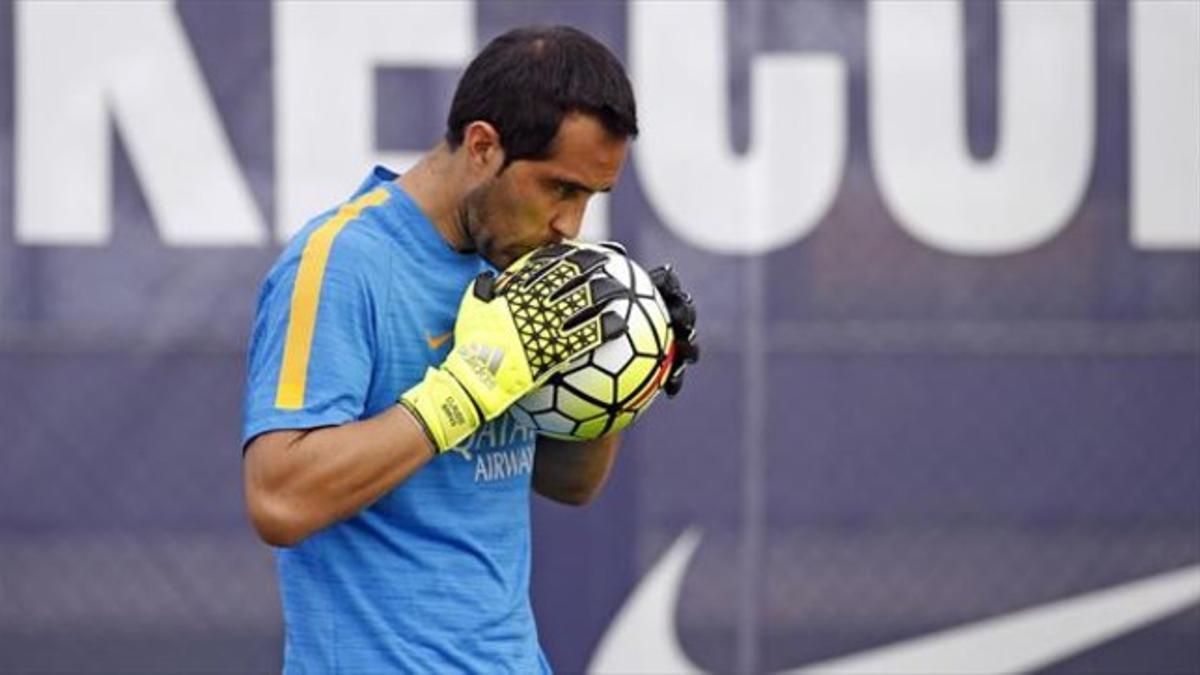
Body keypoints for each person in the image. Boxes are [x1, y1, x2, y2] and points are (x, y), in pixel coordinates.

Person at [241, 25, 698, 673]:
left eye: (591, 198)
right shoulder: (341, 262)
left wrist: (622, 379)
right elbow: (280, 498)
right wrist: (463, 392)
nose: (571, 225)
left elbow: (570, 482)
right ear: (483, 146)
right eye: (560, 189)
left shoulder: (528, 265)